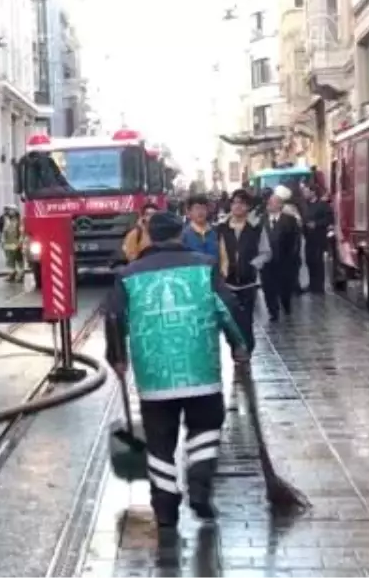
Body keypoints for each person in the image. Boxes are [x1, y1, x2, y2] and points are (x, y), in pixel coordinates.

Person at [104, 211, 249, 530]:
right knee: (206, 424)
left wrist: (117, 357)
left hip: (154, 374)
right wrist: (241, 345)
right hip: (201, 369)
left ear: (150, 236)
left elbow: (115, 318)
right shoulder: (204, 266)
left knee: (159, 441)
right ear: (181, 234)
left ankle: (166, 509)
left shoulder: (128, 275)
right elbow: (228, 308)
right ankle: (198, 483)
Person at [216, 189, 271, 351]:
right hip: (227, 283)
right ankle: (236, 350)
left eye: (242, 203)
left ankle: (246, 352)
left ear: (248, 207)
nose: (238, 206)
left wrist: (253, 264)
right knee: (231, 321)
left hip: (248, 283)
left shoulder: (256, 228)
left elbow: (266, 252)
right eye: (235, 203)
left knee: (246, 320)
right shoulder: (221, 228)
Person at [261, 185, 301, 321]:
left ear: (280, 205)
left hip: (284, 261)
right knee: (268, 288)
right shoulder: (262, 220)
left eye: (272, 203)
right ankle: (273, 311)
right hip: (266, 262)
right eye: (269, 203)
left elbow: (296, 240)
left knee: (285, 287)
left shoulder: (289, 220)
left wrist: (292, 257)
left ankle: (286, 304)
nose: (269, 205)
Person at [180, 195, 229, 276]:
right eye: (197, 208)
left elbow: (224, 256)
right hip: (194, 278)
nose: (200, 212)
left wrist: (223, 274)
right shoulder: (184, 234)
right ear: (189, 212)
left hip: (215, 276)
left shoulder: (216, 231)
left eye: (203, 208)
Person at [301, 185, 332, 293]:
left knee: (318, 262)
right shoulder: (305, 206)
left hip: (319, 238)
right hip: (309, 238)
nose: (304, 194)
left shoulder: (322, 205)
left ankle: (319, 286)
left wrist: (316, 224)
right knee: (310, 261)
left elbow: (329, 219)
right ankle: (312, 284)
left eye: (306, 191)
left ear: (313, 192)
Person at [0, 205, 25, 282]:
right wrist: (2, 241)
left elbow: (22, 232)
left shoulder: (19, 220)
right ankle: (12, 274)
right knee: (10, 260)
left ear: (14, 211)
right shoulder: (7, 220)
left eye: (9, 210)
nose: (7, 212)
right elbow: (4, 231)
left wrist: (20, 242)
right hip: (8, 243)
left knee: (19, 259)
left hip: (16, 243)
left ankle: (21, 274)